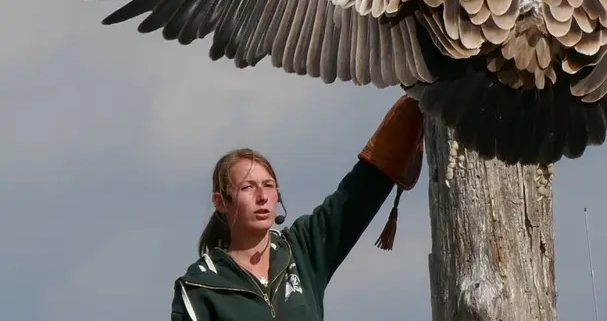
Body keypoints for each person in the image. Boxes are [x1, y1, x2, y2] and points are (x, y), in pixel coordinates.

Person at [170, 94, 425, 321]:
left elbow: (354, 198)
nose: (262, 196)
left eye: (268, 185)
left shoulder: (302, 251)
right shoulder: (200, 288)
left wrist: (422, 97)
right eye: (247, 187)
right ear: (221, 202)